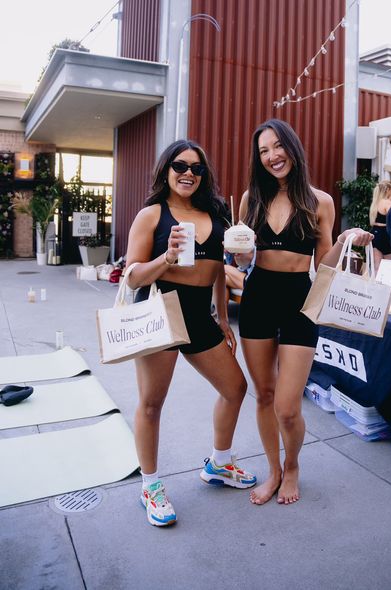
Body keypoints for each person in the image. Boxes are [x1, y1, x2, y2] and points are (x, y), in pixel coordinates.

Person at [234, 119, 373, 506]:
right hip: (258, 294)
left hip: (301, 300)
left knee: (287, 406)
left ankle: (292, 465)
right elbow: (244, 254)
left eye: (277, 146)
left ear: (292, 148)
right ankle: (273, 470)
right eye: (263, 151)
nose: (272, 156)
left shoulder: (320, 201)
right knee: (263, 395)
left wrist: (344, 240)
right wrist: (241, 255)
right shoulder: (251, 199)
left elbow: (324, 265)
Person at [125, 139, 256, 527]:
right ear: (166, 169)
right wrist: (164, 258)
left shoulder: (215, 214)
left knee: (235, 388)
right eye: (180, 165)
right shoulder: (152, 215)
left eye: (197, 168)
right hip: (160, 311)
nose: (188, 174)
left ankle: (219, 463)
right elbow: (131, 275)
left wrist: (219, 316)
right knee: (152, 403)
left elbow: (218, 269)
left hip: (200, 315)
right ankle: (150, 485)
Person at [369, 180, 391, 273]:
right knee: (389, 266)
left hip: (375, 234)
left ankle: (376, 286)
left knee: (377, 267)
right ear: (388, 190)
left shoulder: (375, 202)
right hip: (385, 234)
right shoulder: (387, 202)